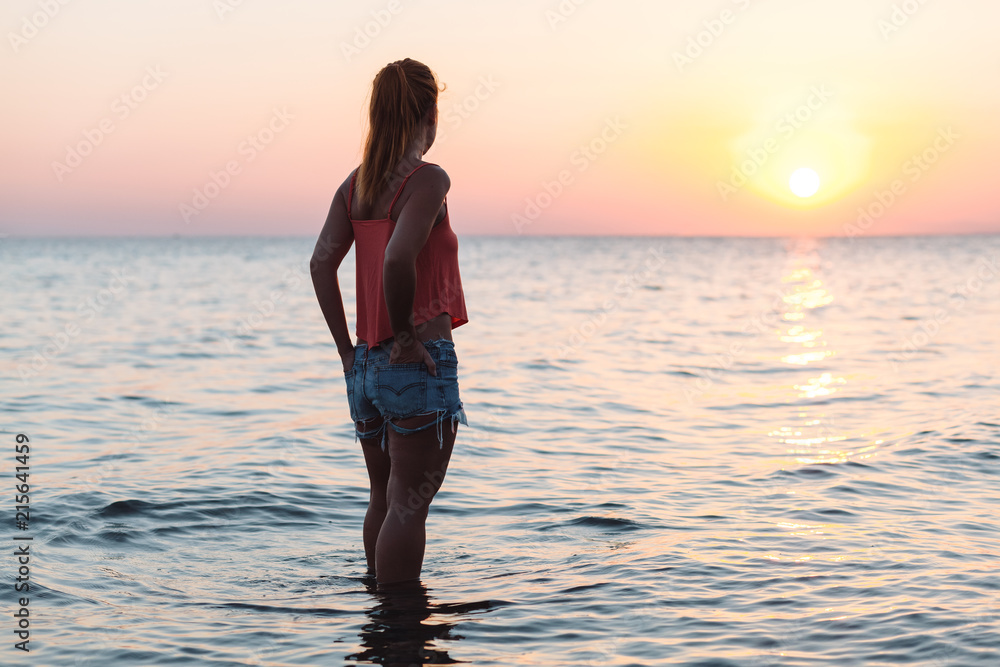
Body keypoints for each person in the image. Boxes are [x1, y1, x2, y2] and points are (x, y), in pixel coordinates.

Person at [310, 58, 469, 587]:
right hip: (412, 363)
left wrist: (347, 354)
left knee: (384, 496)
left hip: (366, 368)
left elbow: (321, 263)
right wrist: (405, 337)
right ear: (429, 111)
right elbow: (399, 259)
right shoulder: (427, 180)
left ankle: (379, 616)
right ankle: (401, 633)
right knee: (408, 504)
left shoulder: (355, 187)